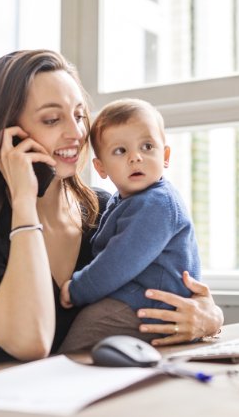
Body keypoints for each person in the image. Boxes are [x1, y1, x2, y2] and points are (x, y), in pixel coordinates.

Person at [0, 49, 223, 372]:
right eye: (52, 119)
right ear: (7, 136)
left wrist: (209, 317)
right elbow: (30, 342)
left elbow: (172, 288)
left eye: (78, 115)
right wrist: (24, 201)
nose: (77, 134)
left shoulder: (104, 210)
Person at [57, 98, 200, 352]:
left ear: (165, 155)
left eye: (147, 146)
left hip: (150, 306)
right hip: (138, 301)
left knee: (74, 348)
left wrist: (77, 289)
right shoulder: (121, 200)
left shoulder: (157, 204)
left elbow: (118, 261)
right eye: (120, 151)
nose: (136, 158)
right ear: (100, 167)